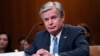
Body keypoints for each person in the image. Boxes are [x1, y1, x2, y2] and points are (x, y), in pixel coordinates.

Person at [25, 1, 89, 56]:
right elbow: (27, 54)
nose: (50, 23)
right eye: (46, 19)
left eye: (53, 18)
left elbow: (84, 51)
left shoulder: (75, 32)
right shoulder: (40, 36)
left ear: (62, 17)